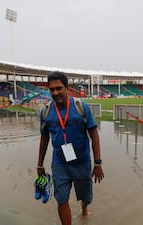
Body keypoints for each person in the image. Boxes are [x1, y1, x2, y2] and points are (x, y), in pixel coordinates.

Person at [37, 71, 104, 225]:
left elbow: (94, 135)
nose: (55, 92)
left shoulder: (81, 107)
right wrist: (40, 164)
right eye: (52, 89)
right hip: (60, 163)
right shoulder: (46, 112)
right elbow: (44, 139)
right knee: (61, 199)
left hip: (82, 162)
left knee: (86, 198)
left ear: (67, 88)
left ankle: (84, 209)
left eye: (59, 88)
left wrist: (98, 163)